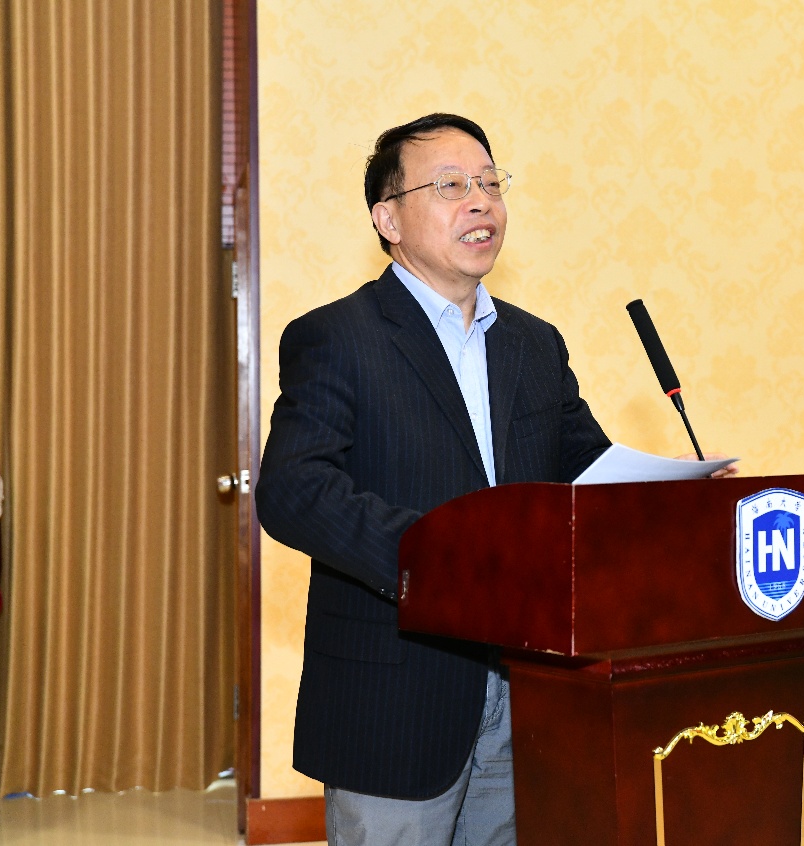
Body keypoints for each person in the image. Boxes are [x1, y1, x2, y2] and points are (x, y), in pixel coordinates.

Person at [255, 113, 613, 846]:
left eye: (490, 183)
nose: (480, 201)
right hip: (395, 693)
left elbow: (590, 476)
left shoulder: (535, 344)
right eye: (451, 186)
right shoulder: (337, 337)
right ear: (387, 219)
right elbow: (294, 490)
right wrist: (439, 557)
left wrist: (683, 492)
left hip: (525, 687)